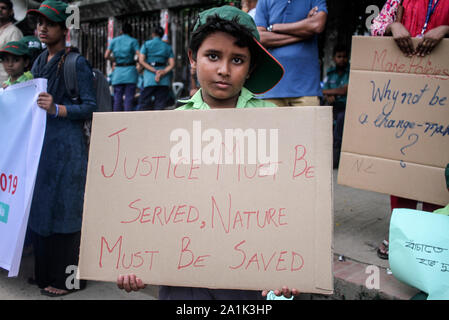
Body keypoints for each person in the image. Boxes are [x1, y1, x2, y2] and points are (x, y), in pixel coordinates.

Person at [117, 5, 300, 300]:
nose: (224, 69)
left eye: (237, 60)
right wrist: (135, 259)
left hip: (249, 271)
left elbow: (292, 201)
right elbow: (151, 203)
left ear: (251, 67)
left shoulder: (273, 123)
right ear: (192, 57)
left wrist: (290, 264)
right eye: (212, 56)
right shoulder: (172, 126)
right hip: (181, 275)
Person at [26, 0, 97, 297]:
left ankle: (70, 281)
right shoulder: (39, 60)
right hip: (42, 149)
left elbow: (90, 107)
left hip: (69, 150)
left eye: (50, 23)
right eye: (39, 22)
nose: (42, 28)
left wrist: (57, 109)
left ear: (64, 27)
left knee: (67, 213)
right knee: (42, 210)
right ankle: (44, 274)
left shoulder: (75, 63)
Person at [371, 0, 448, 260]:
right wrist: (394, 25)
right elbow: (376, 25)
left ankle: (431, 238)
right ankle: (400, 234)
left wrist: (445, 29)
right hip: (406, 88)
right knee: (403, 163)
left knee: (439, 164)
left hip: (443, 90)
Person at [254, 0, 327, 107]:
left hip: (306, 88)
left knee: (308, 124)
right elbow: (260, 37)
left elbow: (317, 25)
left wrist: (275, 27)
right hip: (270, 87)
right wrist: (304, 33)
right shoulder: (265, 1)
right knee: (269, 124)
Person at [322, 44, 350, 169]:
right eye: (339, 56)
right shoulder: (330, 73)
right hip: (331, 106)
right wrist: (328, 96)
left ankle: (335, 158)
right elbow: (321, 91)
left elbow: (344, 91)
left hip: (346, 108)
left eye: (344, 57)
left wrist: (330, 92)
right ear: (334, 58)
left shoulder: (350, 72)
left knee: (340, 121)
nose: (342, 59)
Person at [104, 23, 140, 112]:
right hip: (130, 72)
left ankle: (117, 119)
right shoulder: (133, 41)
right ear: (131, 32)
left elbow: (106, 56)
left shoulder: (114, 41)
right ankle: (128, 120)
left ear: (121, 31)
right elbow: (139, 56)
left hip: (118, 72)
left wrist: (115, 59)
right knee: (129, 98)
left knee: (117, 98)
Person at [138, 26, 175, 110]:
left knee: (144, 104)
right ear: (162, 35)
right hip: (164, 79)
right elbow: (172, 64)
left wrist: (154, 70)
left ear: (153, 34)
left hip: (149, 78)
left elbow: (141, 60)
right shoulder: (167, 46)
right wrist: (162, 72)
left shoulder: (146, 44)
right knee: (160, 104)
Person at [0, 0, 23, 83]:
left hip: (5, 82)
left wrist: (12, 82)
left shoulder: (14, 31)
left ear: (11, 12)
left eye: (3, 8)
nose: (0, 10)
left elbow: (16, 60)